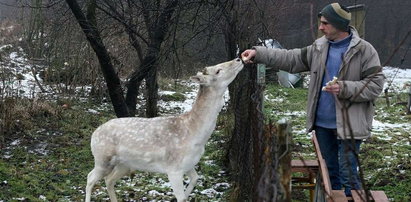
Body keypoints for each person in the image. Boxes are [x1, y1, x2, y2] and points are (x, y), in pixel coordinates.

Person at [241, 2, 385, 196]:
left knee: (349, 176)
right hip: (323, 126)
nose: (320, 27)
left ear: (339, 25)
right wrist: (259, 53)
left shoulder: (364, 51)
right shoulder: (319, 47)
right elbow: (290, 59)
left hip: (351, 126)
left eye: (325, 23)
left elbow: (375, 85)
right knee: (329, 174)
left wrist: (344, 87)